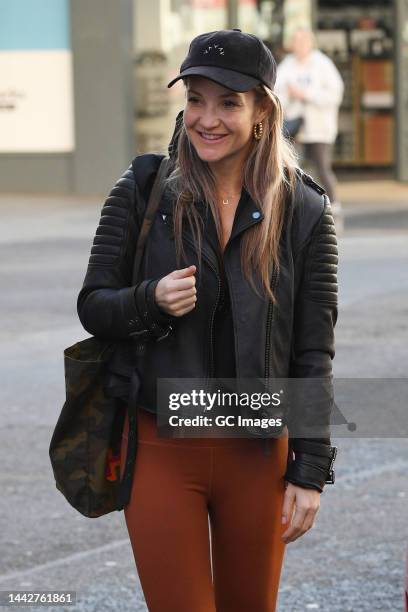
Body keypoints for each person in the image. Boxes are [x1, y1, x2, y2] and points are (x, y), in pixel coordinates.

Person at [77, 29, 338, 612]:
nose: (206, 119)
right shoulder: (145, 189)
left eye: (227, 102)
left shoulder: (304, 211)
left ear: (263, 111)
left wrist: (310, 469)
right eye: (195, 99)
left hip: (259, 456)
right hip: (162, 450)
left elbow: (312, 352)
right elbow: (94, 304)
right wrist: (149, 300)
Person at [275, 27, 345, 232]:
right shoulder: (287, 65)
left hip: (319, 127)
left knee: (322, 168)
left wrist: (306, 95)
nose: (299, 45)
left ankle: (334, 211)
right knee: (292, 170)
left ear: (310, 43)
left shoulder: (322, 64)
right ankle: (296, 215)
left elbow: (335, 94)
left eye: (303, 41)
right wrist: (290, 96)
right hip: (294, 126)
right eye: (296, 41)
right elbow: (276, 94)